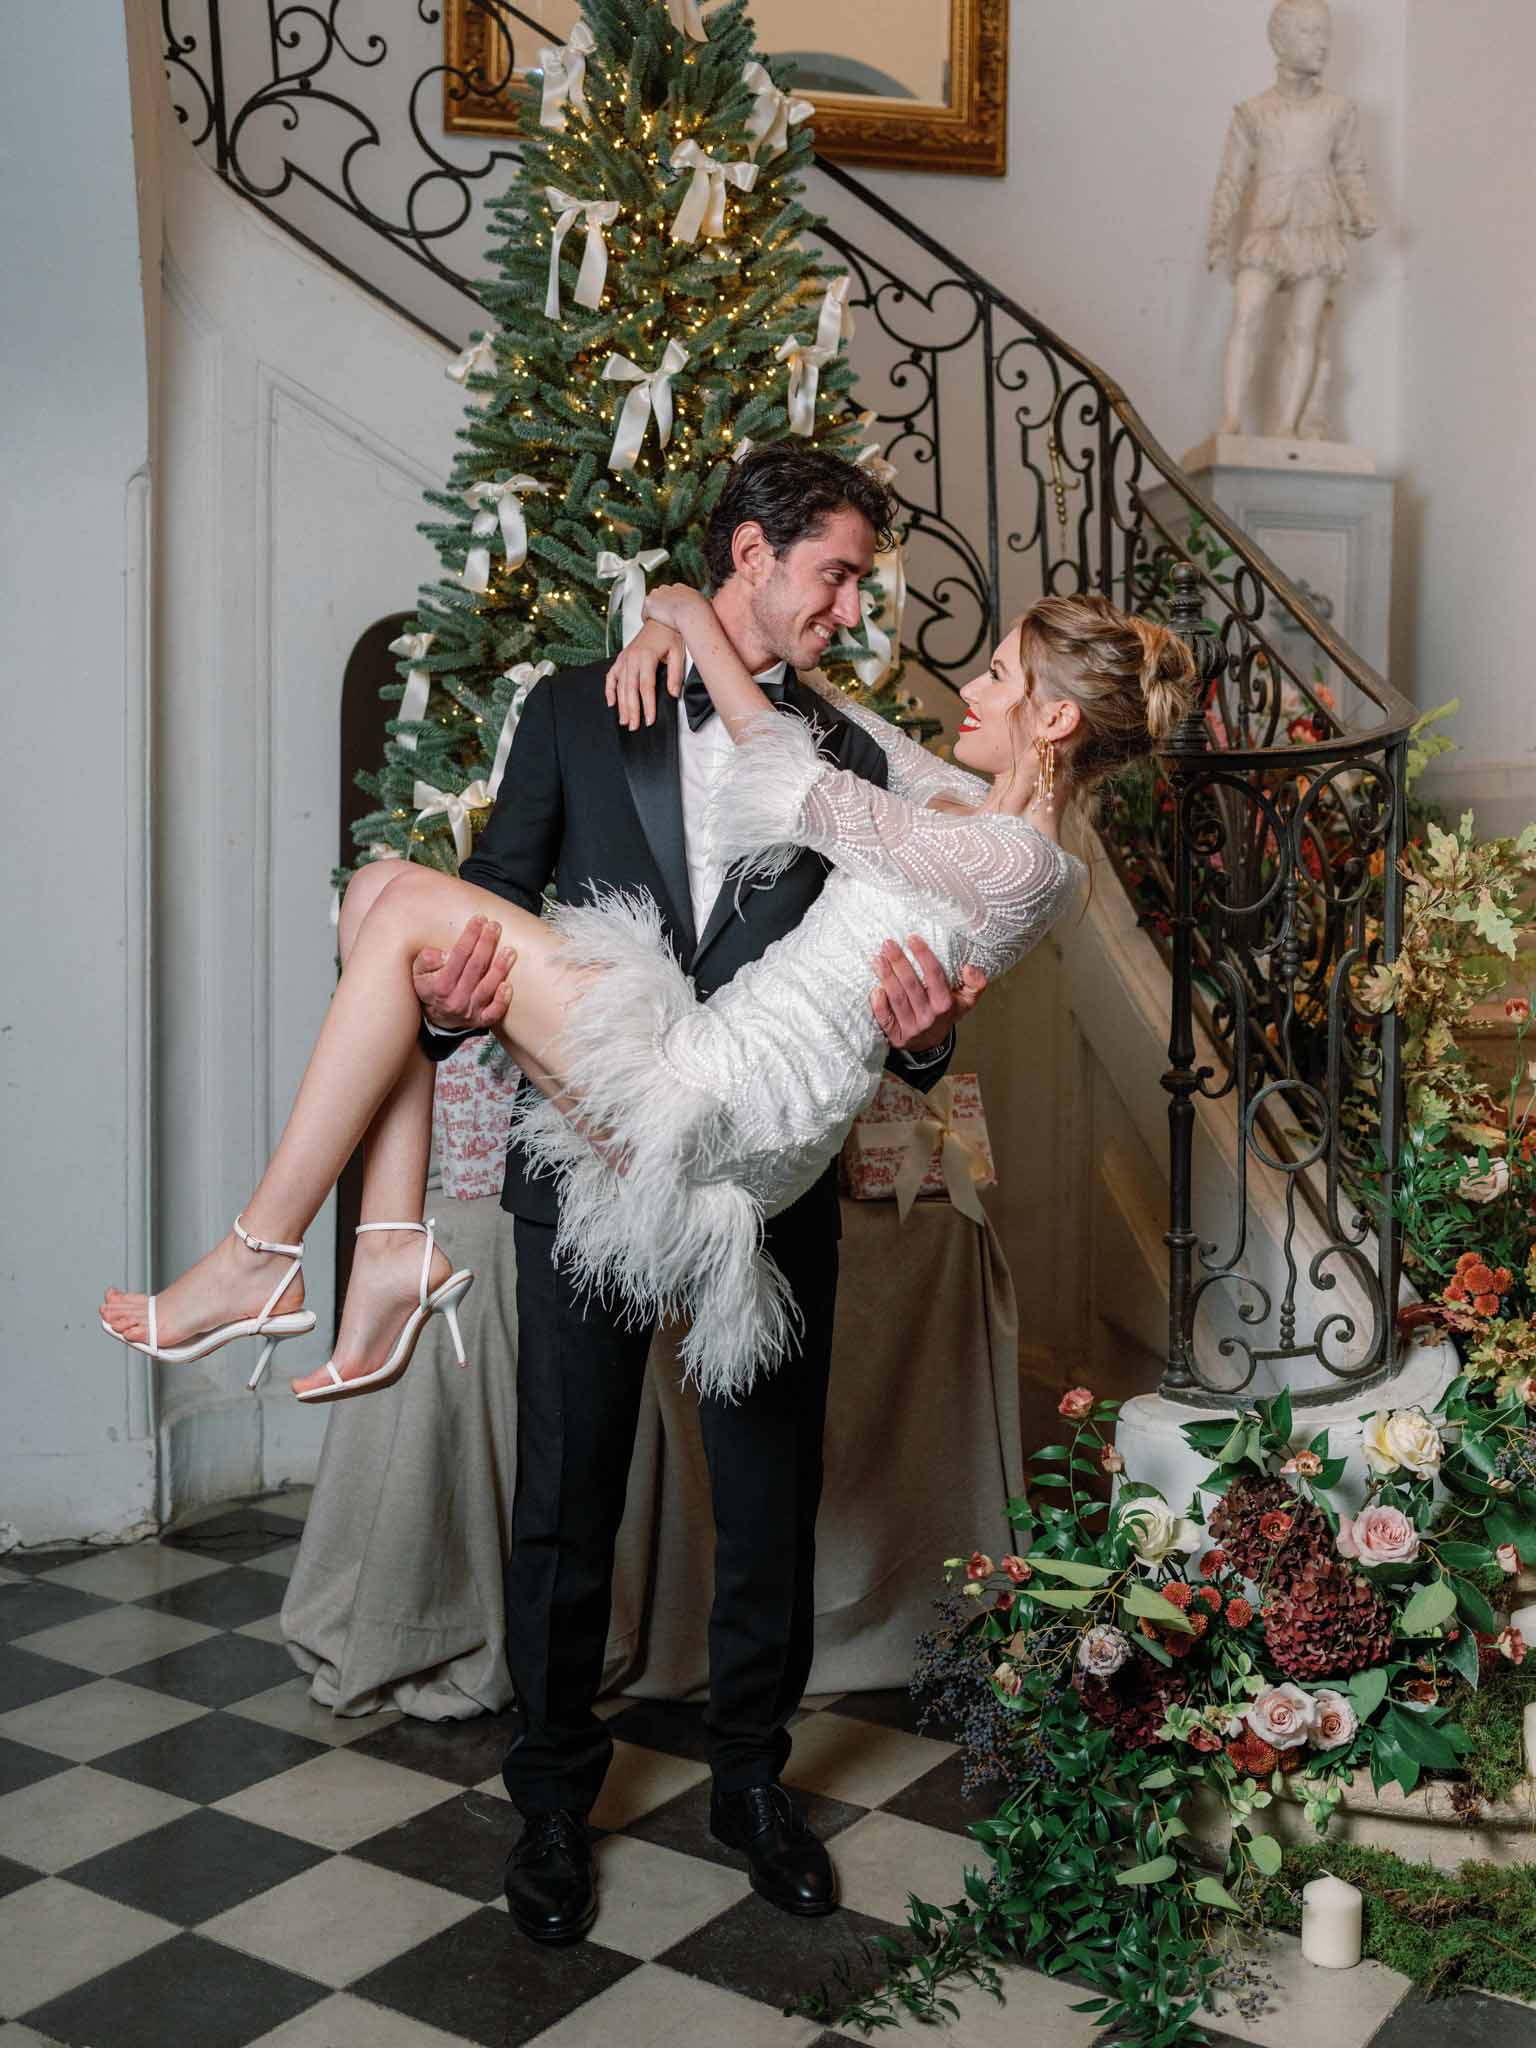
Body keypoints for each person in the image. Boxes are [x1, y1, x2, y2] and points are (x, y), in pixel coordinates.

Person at [100, 447, 1193, 1941]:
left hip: (743, 1133)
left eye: (867, 585)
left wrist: (930, 1028)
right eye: (838, 573)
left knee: (767, 1502)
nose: (864, 610)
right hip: (626, 1123)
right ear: (759, 552)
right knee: (565, 1489)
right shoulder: (575, 707)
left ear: (1054, 711)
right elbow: (494, 890)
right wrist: (456, 1000)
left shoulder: (876, 769)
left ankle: (753, 1783)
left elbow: (909, 961)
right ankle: (550, 1801)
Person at [1206, 0, 1377, 440]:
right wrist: (1218, 231)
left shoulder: (1338, 111)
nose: (1323, 44)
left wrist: (1361, 209)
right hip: (1268, 225)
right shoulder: (1254, 112)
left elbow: (1349, 168)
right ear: (1280, 41)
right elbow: (1231, 176)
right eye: (1310, 33)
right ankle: (1230, 420)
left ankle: (1286, 427)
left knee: (1304, 329)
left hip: (1317, 227)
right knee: (1247, 314)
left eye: (1326, 34)